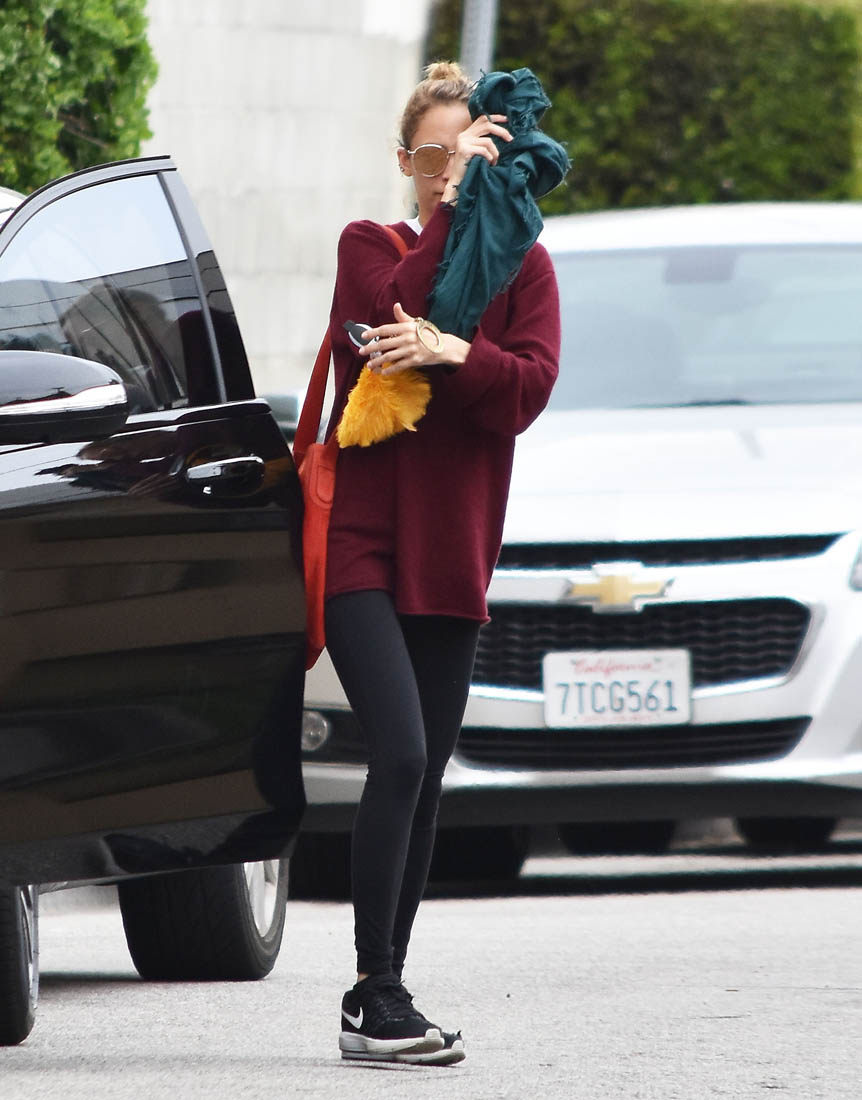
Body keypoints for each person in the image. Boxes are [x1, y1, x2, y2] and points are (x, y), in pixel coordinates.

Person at [324, 60, 561, 1065]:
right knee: (403, 754)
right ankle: (375, 988)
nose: (450, 172)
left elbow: (527, 392)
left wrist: (458, 353)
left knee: (426, 783)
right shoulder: (368, 245)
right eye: (433, 155)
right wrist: (450, 214)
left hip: (453, 549)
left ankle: (382, 991)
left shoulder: (526, 269)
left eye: (473, 151)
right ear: (406, 162)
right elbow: (385, 329)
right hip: (360, 543)